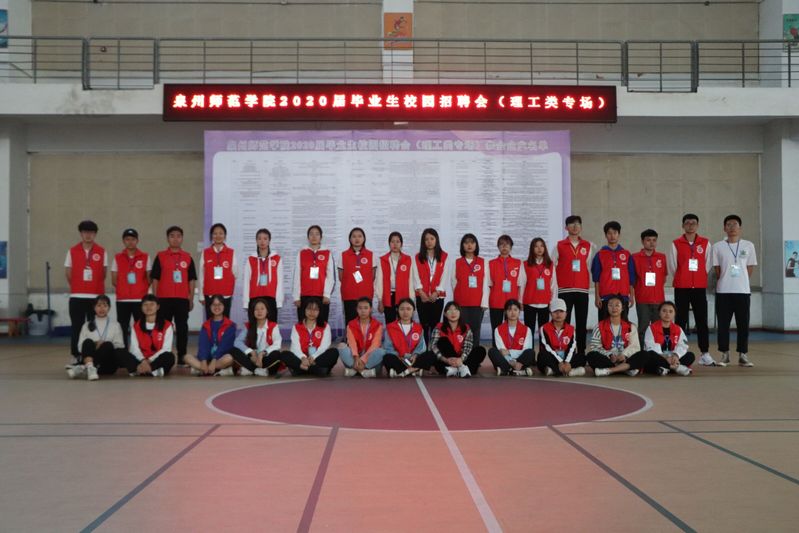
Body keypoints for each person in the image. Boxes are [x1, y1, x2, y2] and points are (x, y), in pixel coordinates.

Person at [668, 214, 714, 366]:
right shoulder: (676, 243)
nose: (690, 225)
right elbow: (673, 266)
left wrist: (699, 276)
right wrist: (683, 277)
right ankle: (678, 353)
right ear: (683, 226)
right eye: (687, 223)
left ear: (697, 225)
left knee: (702, 320)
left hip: (699, 287)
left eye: (693, 223)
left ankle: (705, 353)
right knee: (680, 320)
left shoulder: (705, 243)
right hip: (682, 287)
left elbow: (708, 264)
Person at [712, 215, 757, 367]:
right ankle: (724, 354)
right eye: (729, 224)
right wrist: (727, 280)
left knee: (743, 324)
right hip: (723, 291)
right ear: (724, 228)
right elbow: (717, 269)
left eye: (735, 224)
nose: (732, 227)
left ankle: (743, 354)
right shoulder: (717, 246)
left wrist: (740, 281)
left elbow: (749, 268)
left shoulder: (748, 245)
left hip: (742, 291)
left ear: (740, 228)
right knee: (723, 325)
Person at [150, 226, 196, 366]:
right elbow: (155, 278)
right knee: (163, 328)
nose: (175, 239)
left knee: (182, 328)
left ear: (182, 238)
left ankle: (182, 356)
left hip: (182, 299)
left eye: (178, 236)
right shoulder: (160, 256)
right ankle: (163, 355)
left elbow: (191, 280)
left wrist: (191, 298)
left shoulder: (188, 257)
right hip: (163, 299)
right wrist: (155, 299)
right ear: (167, 238)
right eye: (172, 236)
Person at [65, 220, 107, 366]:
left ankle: (93, 356)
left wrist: (93, 286)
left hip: (95, 297)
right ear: (81, 233)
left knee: (94, 327)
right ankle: (75, 355)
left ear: (95, 234)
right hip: (77, 296)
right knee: (76, 327)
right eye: (85, 232)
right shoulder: (72, 251)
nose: (88, 235)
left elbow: (103, 274)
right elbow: (68, 273)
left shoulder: (101, 251)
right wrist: (78, 286)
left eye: (91, 232)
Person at [552, 215, 595, 357]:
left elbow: (588, 267)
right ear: (566, 227)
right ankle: (565, 350)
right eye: (572, 224)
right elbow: (552, 266)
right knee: (564, 322)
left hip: (582, 290)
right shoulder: (559, 245)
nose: (575, 226)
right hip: (565, 290)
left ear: (581, 227)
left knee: (582, 323)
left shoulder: (588, 246)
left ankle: (581, 352)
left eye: (578, 224)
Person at [67, 295, 127, 381]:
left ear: (109, 308)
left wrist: (102, 344)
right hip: (91, 358)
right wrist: (95, 344)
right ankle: (90, 368)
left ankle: (85, 367)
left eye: (105, 306)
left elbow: (120, 345)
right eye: (99, 305)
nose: (102, 309)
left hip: (107, 366)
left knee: (108, 345)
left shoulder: (116, 325)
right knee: (88, 342)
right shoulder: (87, 325)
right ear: (94, 308)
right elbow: (80, 347)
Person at [586, 295, 647, 377]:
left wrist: (624, 355)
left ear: (622, 308)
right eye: (610, 305)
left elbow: (635, 346)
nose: (614, 308)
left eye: (617, 305)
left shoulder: (631, 327)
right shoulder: (599, 326)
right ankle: (625, 369)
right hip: (609, 360)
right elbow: (595, 347)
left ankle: (610, 370)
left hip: (625, 359)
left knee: (644, 354)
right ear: (607, 308)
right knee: (591, 355)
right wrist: (610, 355)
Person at [111, 228, 151, 348]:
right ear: (123, 241)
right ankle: (123, 351)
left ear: (137, 241)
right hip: (122, 299)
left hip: (140, 299)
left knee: (141, 326)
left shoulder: (145, 257)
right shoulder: (117, 257)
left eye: (133, 239)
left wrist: (140, 289)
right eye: (127, 239)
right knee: (122, 327)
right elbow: (114, 280)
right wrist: (123, 288)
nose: (130, 242)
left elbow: (149, 278)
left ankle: (140, 350)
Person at [281, 297, 339, 376]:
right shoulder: (297, 327)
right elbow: (295, 347)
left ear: (319, 311)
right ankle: (317, 370)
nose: (312, 312)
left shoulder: (325, 326)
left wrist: (313, 357)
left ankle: (301, 369)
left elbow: (324, 347)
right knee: (284, 354)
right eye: (309, 309)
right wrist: (303, 358)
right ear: (304, 310)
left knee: (334, 352)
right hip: (302, 359)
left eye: (315, 309)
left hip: (317, 359)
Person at [591, 221, 636, 322]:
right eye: (609, 233)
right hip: (605, 296)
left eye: (615, 233)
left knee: (623, 325)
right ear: (605, 235)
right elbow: (596, 278)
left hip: (623, 296)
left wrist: (631, 296)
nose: (612, 236)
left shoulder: (627, 254)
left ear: (619, 234)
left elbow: (631, 277)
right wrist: (597, 297)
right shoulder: (600, 254)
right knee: (604, 325)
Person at [429, 301, 487, 378]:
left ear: (460, 313)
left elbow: (468, 347)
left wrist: (461, 360)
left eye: (456, 310)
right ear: (445, 314)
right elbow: (434, 346)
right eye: (450, 310)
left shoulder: (466, 328)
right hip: (447, 360)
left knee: (480, 350)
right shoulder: (439, 327)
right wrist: (445, 360)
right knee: (442, 341)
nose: (453, 313)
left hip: (462, 359)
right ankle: (463, 369)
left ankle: (454, 370)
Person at [451, 233, 489, 346]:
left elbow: (486, 283)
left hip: (477, 303)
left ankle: (474, 355)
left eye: (472, 242)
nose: (469, 245)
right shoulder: (457, 262)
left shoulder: (483, 262)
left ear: (476, 245)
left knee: (475, 331)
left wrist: (484, 302)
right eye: (466, 242)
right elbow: (453, 282)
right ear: (462, 245)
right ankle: (462, 354)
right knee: (462, 331)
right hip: (461, 303)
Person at [185, 294, 237, 376]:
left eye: (219, 304)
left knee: (229, 358)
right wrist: (203, 360)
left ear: (224, 306)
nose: (217, 307)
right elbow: (203, 344)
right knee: (187, 357)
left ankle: (203, 369)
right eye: (214, 304)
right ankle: (212, 369)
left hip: (220, 358)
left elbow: (224, 346)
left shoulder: (230, 325)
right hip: (207, 359)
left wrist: (215, 359)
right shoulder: (206, 325)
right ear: (210, 307)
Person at [231, 297, 285, 376]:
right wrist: (251, 352)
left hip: (265, 358)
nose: (259, 311)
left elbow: (277, 344)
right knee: (233, 350)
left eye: (262, 309)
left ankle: (251, 369)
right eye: (256, 309)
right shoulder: (249, 326)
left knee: (276, 354)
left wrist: (262, 354)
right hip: (252, 358)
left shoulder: (273, 326)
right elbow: (237, 342)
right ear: (253, 312)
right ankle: (257, 370)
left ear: (267, 311)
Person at [125, 294, 176, 377]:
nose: (148, 307)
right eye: (145, 304)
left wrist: (149, 360)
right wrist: (143, 360)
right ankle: (153, 371)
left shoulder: (167, 325)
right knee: (123, 353)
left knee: (169, 356)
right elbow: (134, 348)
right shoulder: (136, 326)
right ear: (141, 307)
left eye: (152, 304)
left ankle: (144, 370)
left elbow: (166, 348)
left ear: (158, 307)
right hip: (141, 359)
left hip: (156, 360)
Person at [632, 229, 667, 346]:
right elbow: (632, 280)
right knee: (643, 328)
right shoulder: (635, 257)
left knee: (658, 328)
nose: (651, 243)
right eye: (648, 240)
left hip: (659, 299)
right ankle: (643, 352)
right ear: (642, 241)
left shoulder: (662, 257)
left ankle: (657, 351)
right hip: (642, 299)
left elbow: (664, 277)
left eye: (654, 240)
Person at [292, 225, 334, 324]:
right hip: (304, 295)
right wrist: (296, 297)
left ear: (321, 237)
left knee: (321, 324)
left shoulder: (327, 253)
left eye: (317, 234)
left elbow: (330, 276)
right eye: (311, 234)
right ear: (308, 237)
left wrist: (327, 294)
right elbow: (297, 275)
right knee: (303, 324)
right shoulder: (301, 253)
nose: (314, 236)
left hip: (321, 296)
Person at [414, 228, 450, 344]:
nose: (429, 241)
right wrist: (421, 292)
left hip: (437, 297)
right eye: (426, 239)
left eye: (432, 239)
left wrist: (437, 292)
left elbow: (445, 276)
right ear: (423, 242)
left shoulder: (444, 256)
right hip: (422, 297)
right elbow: (415, 275)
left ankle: (434, 349)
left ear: (436, 240)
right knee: (424, 325)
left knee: (435, 325)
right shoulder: (417, 257)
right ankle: (424, 349)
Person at [487, 235, 525, 340]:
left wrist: (520, 301)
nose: (504, 246)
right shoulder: (491, 264)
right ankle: (496, 350)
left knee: (511, 330)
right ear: (498, 247)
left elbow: (521, 284)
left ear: (511, 247)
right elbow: (488, 285)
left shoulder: (518, 263)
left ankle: (511, 348)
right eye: (501, 244)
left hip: (512, 303)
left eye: (507, 244)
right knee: (496, 330)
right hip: (496, 302)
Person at [241, 228, 283, 323]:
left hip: (271, 298)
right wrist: (246, 302)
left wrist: (279, 301)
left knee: (271, 326)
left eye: (265, 238)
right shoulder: (251, 259)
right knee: (254, 327)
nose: (262, 241)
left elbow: (279, 281)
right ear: (256, 241)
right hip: (254, 297)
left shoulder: (277, 259)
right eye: (259, 238)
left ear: (269, 240)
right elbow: (246, 282)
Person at [641, 301, 693, 376]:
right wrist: (665, 357)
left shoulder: (678, 329)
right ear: (659, 313)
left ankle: (664, 368)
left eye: (670, 311)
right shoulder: (651, 328)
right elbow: (650, 347)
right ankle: (675, 367)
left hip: (673, 357)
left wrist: (676, 355)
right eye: (664, 311)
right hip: (659, 357)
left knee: (690, 355)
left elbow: (683, 345)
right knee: (649, 355)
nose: (667, 314)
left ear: (674, 314)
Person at [537, 298, 586, 377]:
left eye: (561, 311)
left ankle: (554, 371)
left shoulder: (571, 329)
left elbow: (572, 348)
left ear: (566, 313)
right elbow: (547, 347)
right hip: (552, 357)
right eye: (555, 311)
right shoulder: (544, 328)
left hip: (566, 357)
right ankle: (569, 372)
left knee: (582, 356)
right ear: (551, 313)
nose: (558, 314)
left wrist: (567, 362)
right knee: (541, 356)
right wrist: (560, 361)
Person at [338, 227, 377, 325]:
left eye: (360, 236)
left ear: (364, 239)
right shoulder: (343, 255)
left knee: (365, 322)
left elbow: (373, 276)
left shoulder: (371, 255)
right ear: (350, 239)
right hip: (349, 295)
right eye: (354, 236)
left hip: (366, 295)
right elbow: (341, 276)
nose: (357, 239)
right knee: (350, 321)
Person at [339, 297, 385, 378]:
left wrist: (363, 360)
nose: (363, 311)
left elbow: (375, 345)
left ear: (370, 309)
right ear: (357, 310)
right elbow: (352, 343)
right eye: (360, 308)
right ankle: (363, 371)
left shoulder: (378, 325)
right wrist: (356, 357)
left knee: (381, 351)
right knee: (341, 346)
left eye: (366, 308)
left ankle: (356, 370)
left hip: (370, 358)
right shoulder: (351, 324)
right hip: (355, 358)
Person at [382, 298, 428, 378]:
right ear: (397, 310)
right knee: (387, 358)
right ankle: (414, 370)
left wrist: (415, 355)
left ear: (413, 311)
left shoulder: (419, 328)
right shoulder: (390, 327)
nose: (405, 312)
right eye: (402, 309)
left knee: (430, 355)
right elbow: (387, 347)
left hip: (413, 359)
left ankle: (402, 371)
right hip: (398, 359)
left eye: (408, 309)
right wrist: (399, 357)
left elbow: (421, 347)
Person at [198, 223, 237, 319]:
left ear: (225, 236)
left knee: (225, 321)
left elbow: (235, 273)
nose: (218, 236)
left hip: (226, 294)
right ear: (211, 236)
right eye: (215, 233)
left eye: (221, 233)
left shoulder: (231, 252)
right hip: (209, 294)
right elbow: (201, 275)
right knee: (210, 321)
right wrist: (201, 296)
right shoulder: (205, 252)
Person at [487, 299, 535, 376]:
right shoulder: (498, 330)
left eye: (515, 310)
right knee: (492, 351)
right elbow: (502, 351)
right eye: (509, 310)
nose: (513, 313)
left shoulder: (526, 330)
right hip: (506, 360)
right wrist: (511, 361)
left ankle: (506, 370)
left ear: (519, 312)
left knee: (530, 352)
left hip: (520, 360)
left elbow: (526, 349)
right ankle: (518, 370)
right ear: (505, 312)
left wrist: (509, 352)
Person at [375, 231, 414, 324]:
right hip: (388, 296)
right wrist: (380, 300)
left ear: (401, 244)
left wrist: (412, 300)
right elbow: (379, 281)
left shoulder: (408, 259)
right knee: (390, 323)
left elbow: (411, 281)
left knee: (404, 322)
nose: (395, 244)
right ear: (389, 243)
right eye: (392, 241)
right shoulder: (383, 260)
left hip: (403, 296)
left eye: (397, 241)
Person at [521, 237, 557, 338]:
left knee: (544, 333)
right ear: (532, 249)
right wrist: (520, 301)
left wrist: (552, 302)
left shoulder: (550, 265)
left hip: (545, 303)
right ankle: (530, 348)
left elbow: (553, 285)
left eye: (541, 246)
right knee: (529, 333)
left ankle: (543, 349)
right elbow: (522, 284)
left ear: (544, 248)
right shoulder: (525, 264)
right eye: (536, 246)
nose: (539, 248)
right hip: (529, 302)